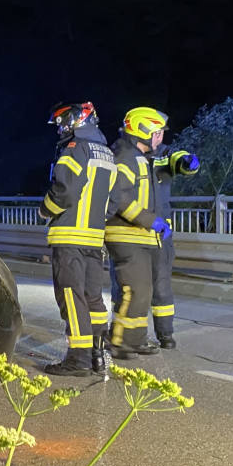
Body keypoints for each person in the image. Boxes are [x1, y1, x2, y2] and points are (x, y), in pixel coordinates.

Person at [38, 102, 117, 376]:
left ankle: (78, 359)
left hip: (70, 236)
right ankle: (98, 355)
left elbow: (65, 191)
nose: (61, 128)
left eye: (63, 122)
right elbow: (113, 202)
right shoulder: (108, 154)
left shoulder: (75, 148)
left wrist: (45, 209)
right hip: (94, 239)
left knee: (72, 298)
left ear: (76, 120)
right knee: (93, 298)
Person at [106, 107, 172, 359]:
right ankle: (119, 342)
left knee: (142, 291)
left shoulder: (138, 157)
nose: (160, 138)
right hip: (125, 235)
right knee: (135, 290)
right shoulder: (125, 157)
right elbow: (120, 198)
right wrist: (150, 220)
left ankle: (135, 339)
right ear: (141, 131)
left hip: (139, 235)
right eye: (157, 133)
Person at [148, 141, 200, 348]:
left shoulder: (166, 154)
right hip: (133, 230)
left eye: (160, 132)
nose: (157, 136)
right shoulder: (127, 152)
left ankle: (165, 334)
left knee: (161, 286)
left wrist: (188, 162)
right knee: (128, 287)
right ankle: (128, 335)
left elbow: (180, 161)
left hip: (160, 233)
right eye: (155, 131)